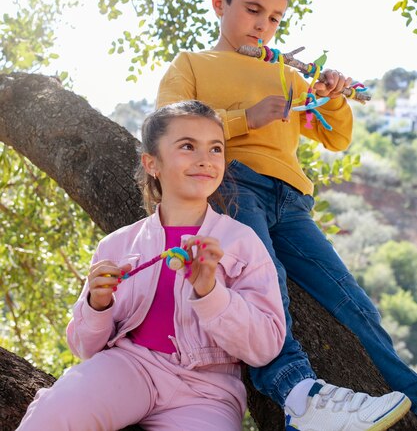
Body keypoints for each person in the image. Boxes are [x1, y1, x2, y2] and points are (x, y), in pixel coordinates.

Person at [156, 0, 416, 430]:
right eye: (253, 10)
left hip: (292, 200)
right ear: (219, 3)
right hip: (235, 183)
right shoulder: (194, 63)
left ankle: (411, 392)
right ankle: (298, 395)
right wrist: (243, 119)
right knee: (265, 284)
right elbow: (169, 126)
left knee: (351, 298)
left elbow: (334, 137)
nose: (264, 25)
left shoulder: (286, 76)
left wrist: (333, 95)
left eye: (275, 18)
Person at [17, 100, 287, 431]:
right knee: (55, 412)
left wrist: (210, 291)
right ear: (151, 163)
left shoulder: (241, 242)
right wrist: (97, 304)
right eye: (188, 146)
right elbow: (85, 347)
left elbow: (265, 347)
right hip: (128, 367)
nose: (205, 160)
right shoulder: (117, 245)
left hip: (207, 392)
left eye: (215, 149)